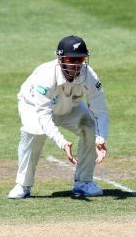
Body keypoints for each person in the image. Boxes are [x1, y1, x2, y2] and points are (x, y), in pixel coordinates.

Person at [8, 35, 109, 199]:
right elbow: (44, 115)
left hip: (69, 106)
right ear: (60, 58)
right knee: (35, 132)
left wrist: (101, 138)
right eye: (71, 59)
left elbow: (100, 111)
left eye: (81, 59)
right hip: (34, 108)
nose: (76, 66)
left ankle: (83, 182)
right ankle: (23, 185)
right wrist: (62, 142)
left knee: (89, 126)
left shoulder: (89, 75)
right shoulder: (45, 76)